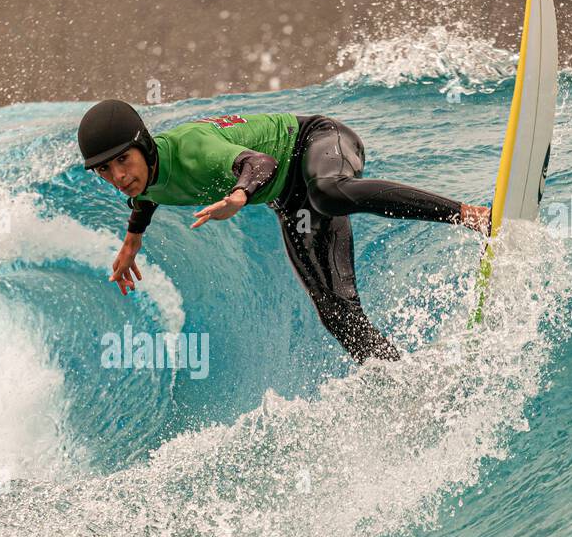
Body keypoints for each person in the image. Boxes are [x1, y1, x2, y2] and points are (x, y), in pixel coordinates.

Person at [77, 99, 490, 362]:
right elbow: (144, 198)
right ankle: (403, 382)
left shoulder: (192, 149)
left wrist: (239, 197)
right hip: (291, 198)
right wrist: (132, 242)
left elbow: (260, 164)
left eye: (123, 161)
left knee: (328, 192)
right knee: (335, 313)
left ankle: (471, 215)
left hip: (318, 141)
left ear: (145, 147)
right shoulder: (143, 179)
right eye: (104, 170)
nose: (117, 176)